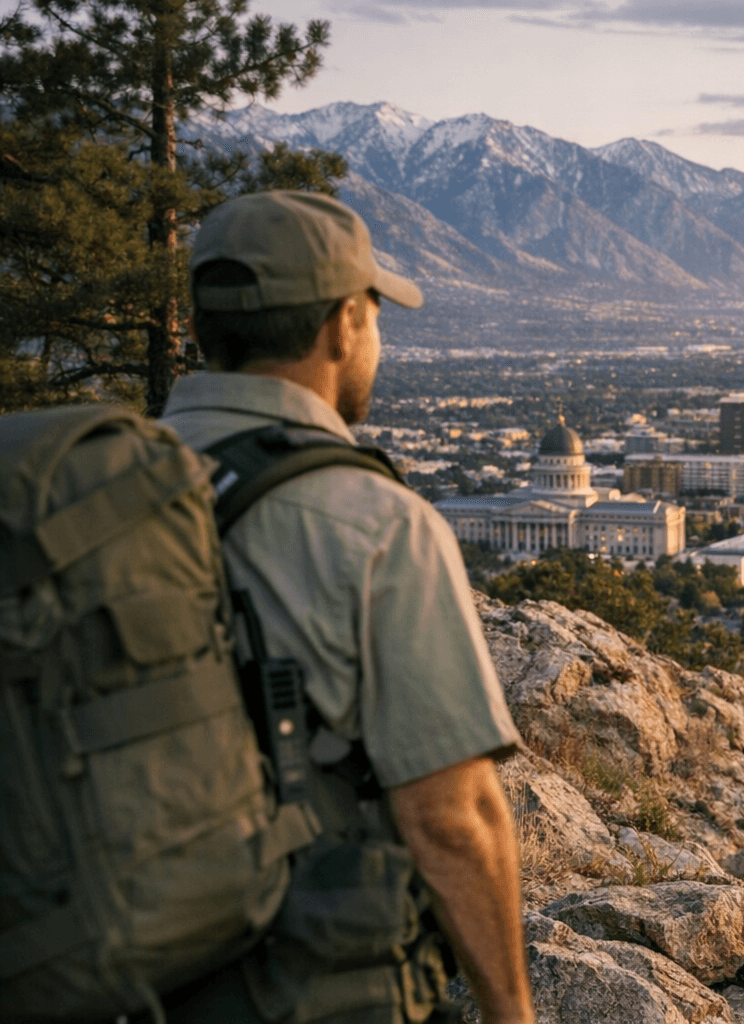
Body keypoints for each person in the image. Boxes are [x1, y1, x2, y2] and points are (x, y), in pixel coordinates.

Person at [159, 191, 536, 1024]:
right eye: (373, 312)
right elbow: (450, 818)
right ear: (342, 327)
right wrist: (512, 1012)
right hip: (299, 981)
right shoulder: (377, 527)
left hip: (97, 964)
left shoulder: (93, 494)